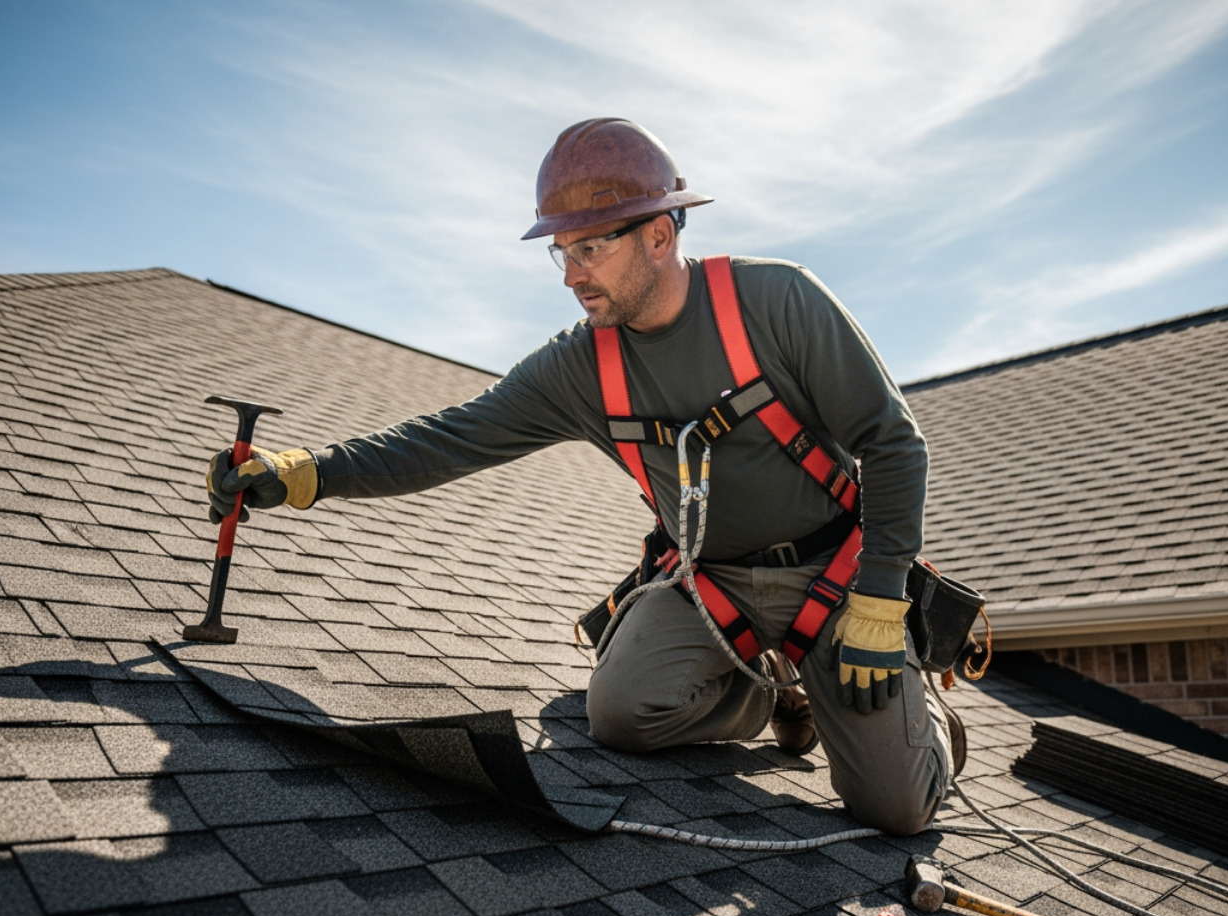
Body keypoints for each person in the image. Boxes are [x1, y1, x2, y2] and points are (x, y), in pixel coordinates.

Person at [206, 118, 960, 835]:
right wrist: (307, 473)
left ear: (660, 235)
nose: (570, 275)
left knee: (896, 811)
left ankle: (931, 734)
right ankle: (774, 692)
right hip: (711, 583)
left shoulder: (778, 302)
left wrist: (881, 597)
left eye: (590, 248)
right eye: (559, 252)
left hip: (840, 576)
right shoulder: (579, 368)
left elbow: (893, 444)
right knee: (621, 715)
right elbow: (449, 439)